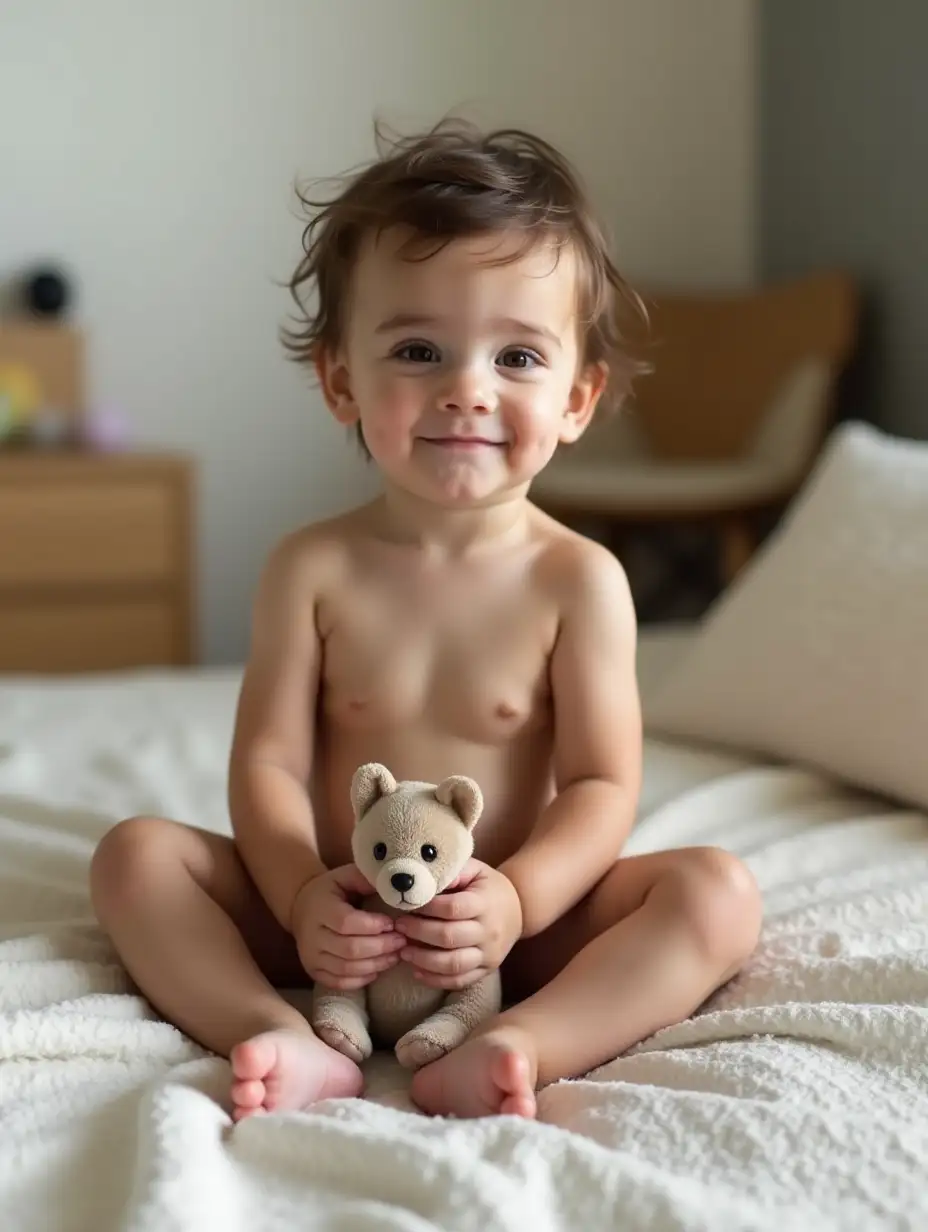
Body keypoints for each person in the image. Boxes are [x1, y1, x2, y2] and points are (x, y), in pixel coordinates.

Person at [90, 119, 762, 1122]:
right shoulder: (310, 567)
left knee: (718, 893)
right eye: (418, 348)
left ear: (578, 397)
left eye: (517, 356)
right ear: (341, 380)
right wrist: (300, 898)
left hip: (507, 928)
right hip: (333, 917)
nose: (466, 387)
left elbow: (599, 782)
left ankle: (515, 1040)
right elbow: (268, 765)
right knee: (135, 857)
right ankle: (268, 1029)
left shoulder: (579, 580)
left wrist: (519, 901)